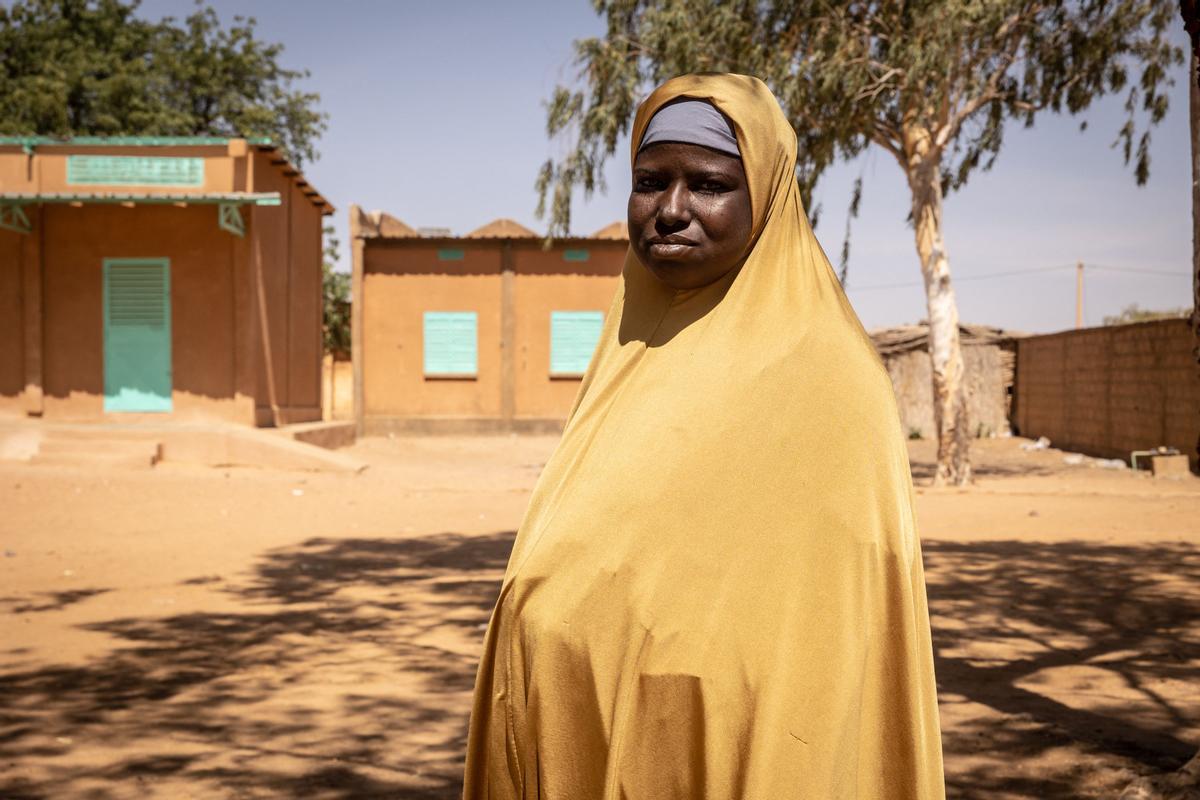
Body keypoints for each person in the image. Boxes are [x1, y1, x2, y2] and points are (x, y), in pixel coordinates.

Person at [463, 73, 945, 800]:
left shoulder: (826, 372)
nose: (671, 211)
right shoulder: (628, 344)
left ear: (768, 198)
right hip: (580, 735)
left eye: (710, 185)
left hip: (735, 755)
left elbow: (821, 632)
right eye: (650, 181)